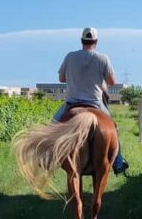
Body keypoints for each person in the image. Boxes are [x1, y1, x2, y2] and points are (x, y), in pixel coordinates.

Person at [53, 27, 128, 175]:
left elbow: (61, 78)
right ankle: (118, 163)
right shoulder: (103, 58)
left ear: (81, 41)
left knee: (53, 125)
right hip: (95, 104)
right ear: (96, 41)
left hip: (71, 103)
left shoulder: (70, 56)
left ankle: (49, 158)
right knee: (113, 128)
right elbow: (112, 81)